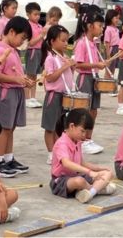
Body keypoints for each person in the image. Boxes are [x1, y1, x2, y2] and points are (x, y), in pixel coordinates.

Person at [0, 17, 33, 178]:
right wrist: (16, 80)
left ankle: (8, 157)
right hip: (7, 93)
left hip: (17, 91)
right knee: (4, 128)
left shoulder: (13, 49)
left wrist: (24, 81)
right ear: (12, 32)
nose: (22, 42)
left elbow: (15, 72)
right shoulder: (2, 49)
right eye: (22, 38)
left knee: (11, 127)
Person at [50, 109, 116, 203]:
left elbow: (81, 162)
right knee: (79, 181)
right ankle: (98, 189)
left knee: (108, 173)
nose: (84, 135)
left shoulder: (77, 142)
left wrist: (99, 168)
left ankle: (89, 192)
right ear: (72, 126)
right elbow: (66, 163)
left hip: (76, 174)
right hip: (61, 180)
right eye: (82, 131)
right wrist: (90, 172)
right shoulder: (62, 143)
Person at [73, 6, 108, 154]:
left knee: (93, 110)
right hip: (85, 78)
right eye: (100, 26)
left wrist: (100, 65)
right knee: (84, 111)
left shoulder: (93, 43)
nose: (101, 29)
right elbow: (78, 65)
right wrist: (96, 65)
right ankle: (80, 140)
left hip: (94, 77)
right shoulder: (81, 43)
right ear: (89, 26)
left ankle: (88, 138)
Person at [40, 25, 75, 165]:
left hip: (64, 95)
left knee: (60, 126)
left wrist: (72, 66)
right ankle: (50, 153)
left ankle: (59, 151)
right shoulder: (50, 58)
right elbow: (50, 78)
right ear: (52, 41)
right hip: (53, 95)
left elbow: (68, 76)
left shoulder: (63, 56)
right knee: (50, 126)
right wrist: (65, 67)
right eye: (63, 40)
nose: (66, 43)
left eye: (67, 40)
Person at [24, 2, 46, 108]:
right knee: (29, 75)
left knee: (35, 76)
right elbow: (30, 43)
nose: (37, 16)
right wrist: (42, 35)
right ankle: (27, 97)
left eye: (39, 14)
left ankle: (33, 97)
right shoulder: (28, 25)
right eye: (35, 14)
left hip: (39, 51)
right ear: (28, 14)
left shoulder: (39, 26)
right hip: (32, 51)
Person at [103, 10, 121, 79]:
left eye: (118, 18)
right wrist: (108, 55)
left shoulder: (116, 29)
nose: (117, 20)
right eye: (116, 18)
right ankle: (106, 82)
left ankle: (110, 81)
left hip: (116, 49)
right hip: (111, 49)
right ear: (110, 18)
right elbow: (107, 43)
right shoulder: (108, 29)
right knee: (109, 68)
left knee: (113, 68)